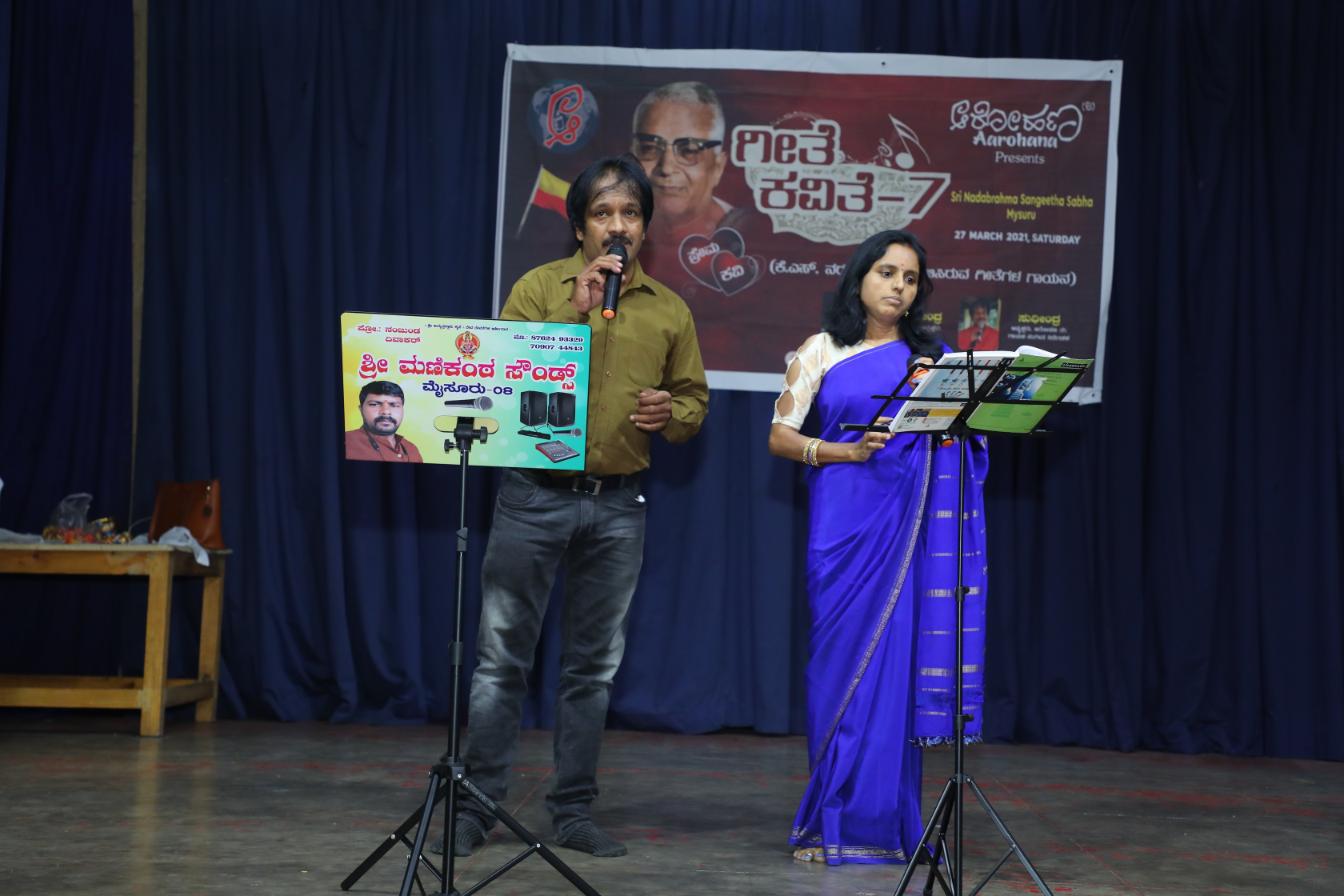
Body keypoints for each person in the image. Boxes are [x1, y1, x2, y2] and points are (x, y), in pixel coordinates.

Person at [453, 154, 709, 859]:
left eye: (630, 214)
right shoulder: (539, 289)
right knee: (501, 661)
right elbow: (501, 380)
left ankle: (572, 812)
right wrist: (574, 316)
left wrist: (671, 412)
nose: (617, 226)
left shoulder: (669, 309)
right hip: (533, 498)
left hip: (618, 507)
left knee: (591, 670)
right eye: (603, 213)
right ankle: (475, 806)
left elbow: (694, 402)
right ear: (579, 227)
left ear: (645, 228)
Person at [768, 230, 988, 866]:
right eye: (887, 272)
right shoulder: (822, 349)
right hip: (842, 527)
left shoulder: (931, 361)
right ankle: (828, 821)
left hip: (910, 529)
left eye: (910, 278)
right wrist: (846, 451)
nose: (898, 286)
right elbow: (781, 436)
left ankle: (884, 826)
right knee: (839, 670)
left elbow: (959, 439)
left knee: (893, 670)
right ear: (859, 276)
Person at [629, 81, 744, 245]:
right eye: (650, 148)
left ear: (718, 167)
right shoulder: (610, 228)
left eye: (688, 151)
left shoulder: (745, 234)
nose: (666, 168)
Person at [344, 380, 423, 462]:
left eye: (394, 405)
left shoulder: (411, 449)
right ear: (361, 409)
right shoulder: (346, 441)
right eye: (374, 404)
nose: (386, 411)